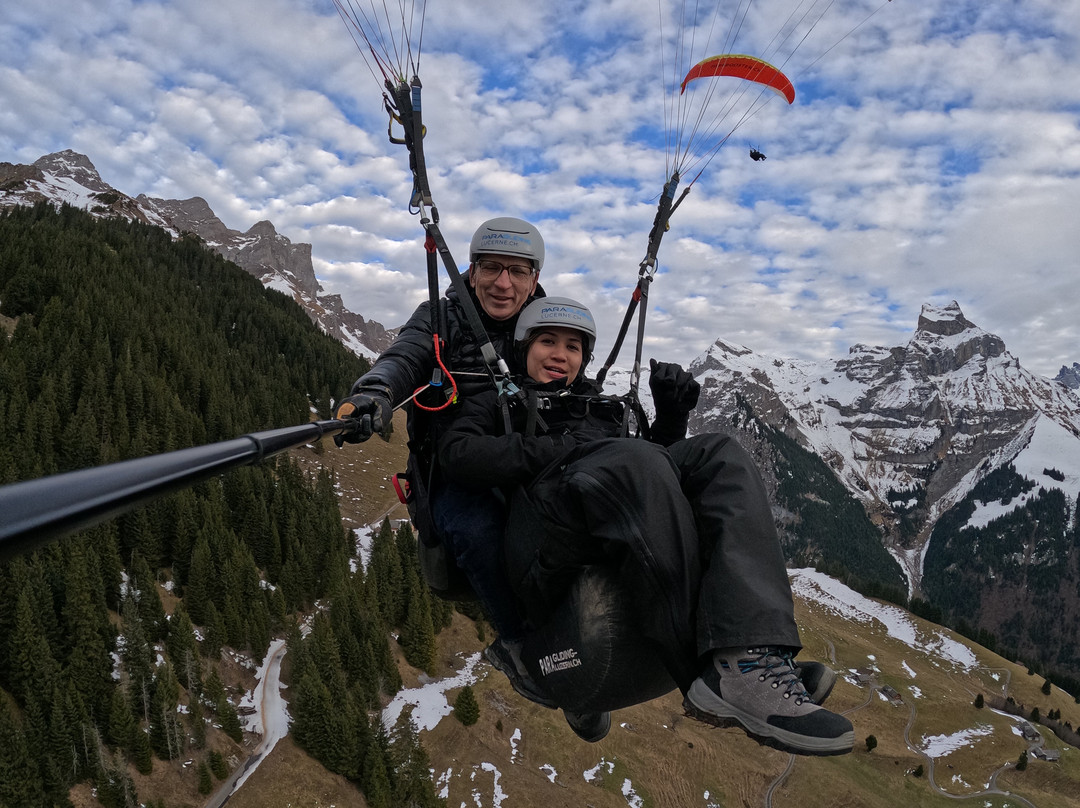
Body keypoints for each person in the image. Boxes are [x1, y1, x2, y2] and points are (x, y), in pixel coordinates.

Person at [436, 297, 854, 755]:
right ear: (522, 349)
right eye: (547, 342)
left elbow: (652, 479)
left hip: (593, 521)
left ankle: (752, 652)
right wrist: (561, 448)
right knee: (630, 461)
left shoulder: (599, 408)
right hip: (538, 543)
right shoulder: (495, 401)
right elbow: (457, 455)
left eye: (573, 347)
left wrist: (671, 418)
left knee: (721, 455)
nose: (560, 354)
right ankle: (709, 677)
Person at [333, 217, 562, 712]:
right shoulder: (443, 317)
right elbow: (407, 356)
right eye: (493, 269)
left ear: (533, 277)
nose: (504, 283)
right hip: (457, 469)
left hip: (528, 458)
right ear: (473, 271)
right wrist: (377, 392)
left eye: (518, 272)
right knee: (477, 529)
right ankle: (520, 643)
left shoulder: (544, 325)